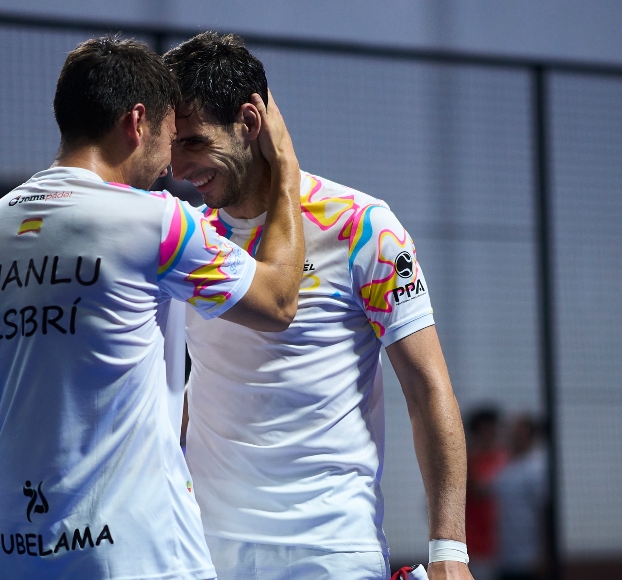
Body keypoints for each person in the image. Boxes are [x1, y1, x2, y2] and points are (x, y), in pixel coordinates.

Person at [0, 36, 305, 579]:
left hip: (17, 557)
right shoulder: (156, 222)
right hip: (138, 556)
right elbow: (278, 300)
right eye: (167, 137)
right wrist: (288, 170)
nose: (170, 168)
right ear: (137, 122)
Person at [164, 32, 474, 580]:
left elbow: (429, 389)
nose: (177, 167)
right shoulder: (188, 236)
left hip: (331, 549)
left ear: (249, 121)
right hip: (206, 551)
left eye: (192, 142)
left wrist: (449, 550)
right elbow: (197, 380)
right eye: (170, 147)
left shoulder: (362, 227)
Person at [492, 415, 547, 580]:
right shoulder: (506, 466)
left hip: (529, 557)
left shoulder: (537, 467)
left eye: (519, 434)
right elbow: (482, 490)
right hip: (504, 556)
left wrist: (543, 554)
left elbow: (544, 512)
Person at [465, 408, 509, 580]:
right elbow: (478, 490)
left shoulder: (505, 457)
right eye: (483, 430)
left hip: (505, 542)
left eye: (492, 429)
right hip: (476, 544)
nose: (489, 434)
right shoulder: (467, 460)